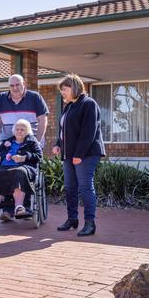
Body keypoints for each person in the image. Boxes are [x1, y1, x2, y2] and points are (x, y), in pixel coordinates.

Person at [0, 74, 49, 220]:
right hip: (8, 144)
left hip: (29, 144)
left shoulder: (35, 97)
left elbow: (43, 120)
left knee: (22, 171)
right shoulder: (1, 99)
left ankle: (23, 207)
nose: (15, 88)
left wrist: (38, 142)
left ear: (24, 84)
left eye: (18, 84)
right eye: (12, 85)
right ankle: (8, 210)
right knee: (4, 170)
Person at [52, 74, 105, 237]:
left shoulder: (89, 104)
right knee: (70, 188)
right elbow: (64, 129)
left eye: (65, 89)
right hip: (69, 154)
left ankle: (90, 223)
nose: (62, 93)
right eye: (61, 90)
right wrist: (57, 144)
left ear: (74, 88)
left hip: (86, 154)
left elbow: (89, 132)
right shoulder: (68, 106)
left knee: (85, 187)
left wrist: (79, 154)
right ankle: (72, 219)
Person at [0, 119, 42, 219]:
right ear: (14, 131)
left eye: (22, 129)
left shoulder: (32, 142)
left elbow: (39, 156)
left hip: (22, 167)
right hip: (3, 167)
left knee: (19, 172)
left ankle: (19, 207)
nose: (19, 131)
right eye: (17, 129)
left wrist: (24, 157)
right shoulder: (7, 142)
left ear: (27, 131)